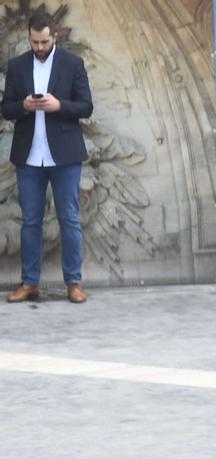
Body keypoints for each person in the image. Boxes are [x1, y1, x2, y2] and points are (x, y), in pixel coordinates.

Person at [3, 11, 91, 304]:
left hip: (65, 156)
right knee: (30, 221)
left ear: (54, 37)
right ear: (29, 37)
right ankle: (29, 283)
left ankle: (74, 283)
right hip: (29, 157)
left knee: (69, 219)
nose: (38, 47)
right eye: (34, 41)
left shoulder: (72, 64)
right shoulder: (16, 66)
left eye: (43, 41)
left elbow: (86, 106)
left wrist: (58, 105)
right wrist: (24, 105)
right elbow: (6, 109)